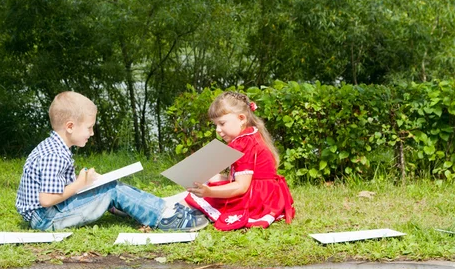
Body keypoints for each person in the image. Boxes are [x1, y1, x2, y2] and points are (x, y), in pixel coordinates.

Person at [16, 91, 208, 231]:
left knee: (108, 185)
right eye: (89, 128)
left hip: (47, 214)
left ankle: (146, 207)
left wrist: (87, 183)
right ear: (70, 126)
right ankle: (164, 218)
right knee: (112, 189)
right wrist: (80, 184)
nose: (92, 133)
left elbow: (57, 186)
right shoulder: (54, 154)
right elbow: (47, 199)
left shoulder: (54, 147)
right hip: (47, 219)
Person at [184, 91, 295, 231]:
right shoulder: (250, 134)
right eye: (215, 125)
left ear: (241, 118)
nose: (218, 130)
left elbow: (241, 187)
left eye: (222, 123)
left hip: (256, 199)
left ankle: (174, 213)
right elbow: (242, 177)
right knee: (206, 181)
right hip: (267, 194)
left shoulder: (243, 143)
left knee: (191, 199)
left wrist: (209, 192)